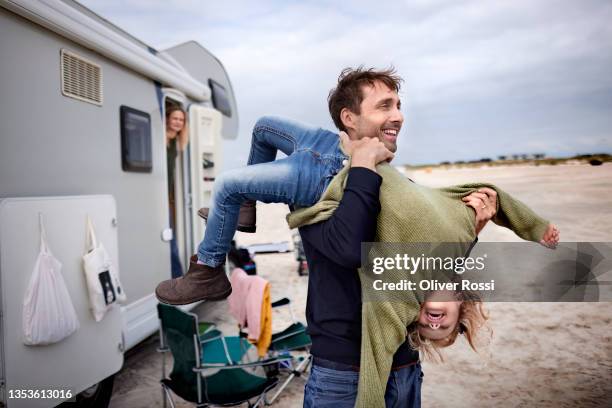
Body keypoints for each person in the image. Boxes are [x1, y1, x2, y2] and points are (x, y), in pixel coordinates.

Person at [155, 67, 559, 306]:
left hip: (318, 171)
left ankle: (208, 270)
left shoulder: (381, 184)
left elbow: (426, 244)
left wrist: (507, 225)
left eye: (399, 106)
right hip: (321, 144)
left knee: (227, 184)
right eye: (386, 106)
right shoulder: (343, 140)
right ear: (349, 117)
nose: (399, 115)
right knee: (262, 126)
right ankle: (246, 212)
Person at [165, 104, 189, 278]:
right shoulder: (161, 137)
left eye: (181, 119)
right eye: (175, 118)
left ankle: (177, 275)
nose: (178, 122)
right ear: (167, 119)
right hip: (159, 192)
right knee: (170, 234)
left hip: (168, 194)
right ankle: (178, 276)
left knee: (171, 233)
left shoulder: (175, 141)